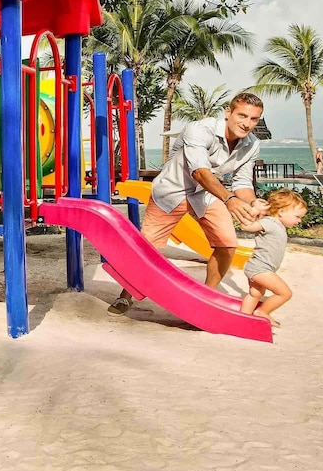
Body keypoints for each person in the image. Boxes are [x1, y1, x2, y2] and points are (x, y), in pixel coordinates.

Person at [108, 92, 266, 315]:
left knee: (228, 244)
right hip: (173, 190)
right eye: (242, 115)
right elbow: (199, 172)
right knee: (148, 248)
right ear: (228, 113)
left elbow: (242, 183)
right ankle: (125, 296)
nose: (247, 124)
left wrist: (253, 201)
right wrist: (229, 199)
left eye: (253, 119)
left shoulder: (252, 144)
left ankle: (206, 298)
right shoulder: (200, 129)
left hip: (206, 193)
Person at [238, 189, 307, 327]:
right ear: (281, 212)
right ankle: (262, 312)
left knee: (255, 294)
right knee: (284, 293)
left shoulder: (277, 225)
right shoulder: (270, 222)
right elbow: (247, 226)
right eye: (297, 216)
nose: (299, 221)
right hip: (260, 269)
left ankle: (243, 320)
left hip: (259, 268)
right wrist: (253, 211)